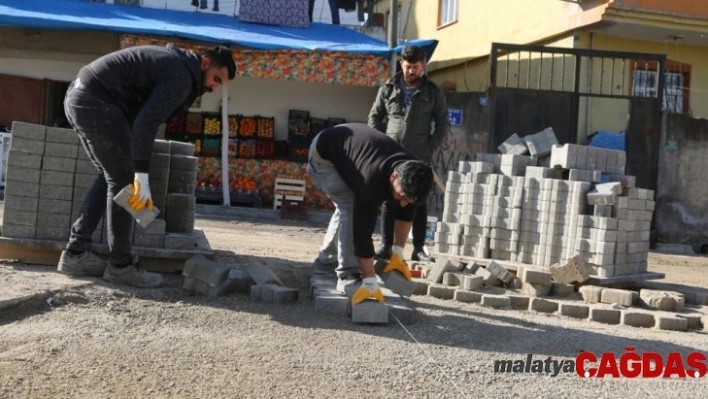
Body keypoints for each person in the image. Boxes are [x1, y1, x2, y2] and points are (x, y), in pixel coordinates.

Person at [57, 44, 236, 287]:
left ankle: (75, 254)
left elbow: (138, 113)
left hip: (80, 96)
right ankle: (121, 265)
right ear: (204, 63)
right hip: (95, 101)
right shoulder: (180, 75)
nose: (214, 87)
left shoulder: (173, 64)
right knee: (123, 182)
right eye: (216, 78)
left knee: (109, 176)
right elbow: (146, 122)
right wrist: (141, 176)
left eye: (219, 84)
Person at [308, 123, 434, 303]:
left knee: (350, 206)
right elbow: (362, 235)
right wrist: (369, 280)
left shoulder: (414, 172)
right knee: (350, 207)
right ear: (393, 177)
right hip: (323, 157)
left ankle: (326, 260)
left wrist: (397, 254)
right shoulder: (371, 182)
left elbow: (407, 210)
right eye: (402, 195)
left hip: (352, 148)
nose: (404, 202)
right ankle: (347, 275)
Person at [368, 45, 450, 262]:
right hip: (391, 155)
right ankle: (386, 246)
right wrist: (380, 144)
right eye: (407, 67)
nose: (410, 71)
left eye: (415, 67)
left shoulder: (433, 92)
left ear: (422, 66)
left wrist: (429, 147)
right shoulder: (388, 88)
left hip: (419, 156)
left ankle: (419, 247)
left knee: (419, 201)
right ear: (400, 64)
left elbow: (443, 123)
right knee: (389, 199)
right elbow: (374, 117)